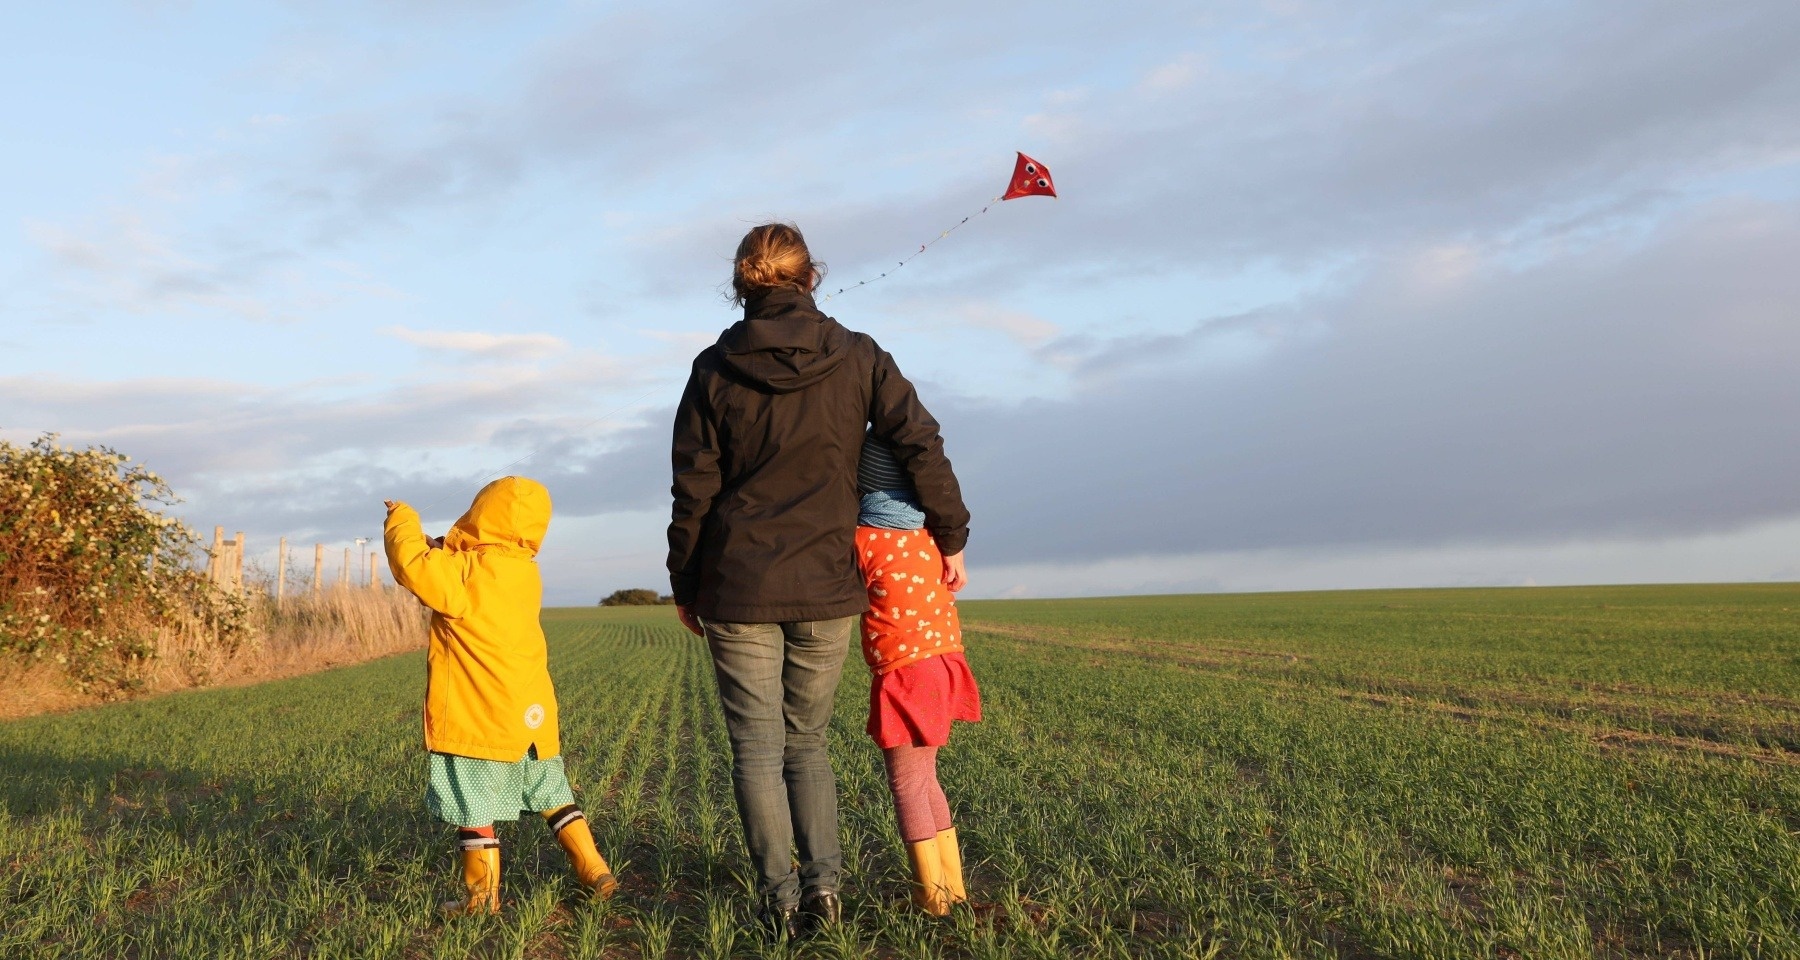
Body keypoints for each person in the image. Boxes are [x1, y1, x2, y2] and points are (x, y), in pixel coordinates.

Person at [668, 222, 970, 938]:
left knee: (756, 750)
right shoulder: (859, 356)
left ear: (743, 284)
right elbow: (919, 443)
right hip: (829, 585)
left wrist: (685, 582)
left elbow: (692, 491)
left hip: (737, 586)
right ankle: (825, 894)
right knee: (807, 745)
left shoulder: (713, 368)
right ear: (812, 278)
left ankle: (779, 901)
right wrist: (949, 535)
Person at [384, 477, 618, 916]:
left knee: (474, 807)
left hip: (481, 715)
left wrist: (402, 518)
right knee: (553, 795)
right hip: (531, 716)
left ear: (481, 514)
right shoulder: (523, 570)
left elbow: (411, 566)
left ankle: (481, 900)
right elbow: (460, 567)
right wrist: (442, 546)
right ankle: (594, 870)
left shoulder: (464, 574)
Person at [852, 435, 979, 916]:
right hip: (944, 665)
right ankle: (953, 892)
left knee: (906, 784)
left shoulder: (862, 538)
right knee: (926, 780)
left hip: (906, 674)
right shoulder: (929, 538)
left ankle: (931, 900)